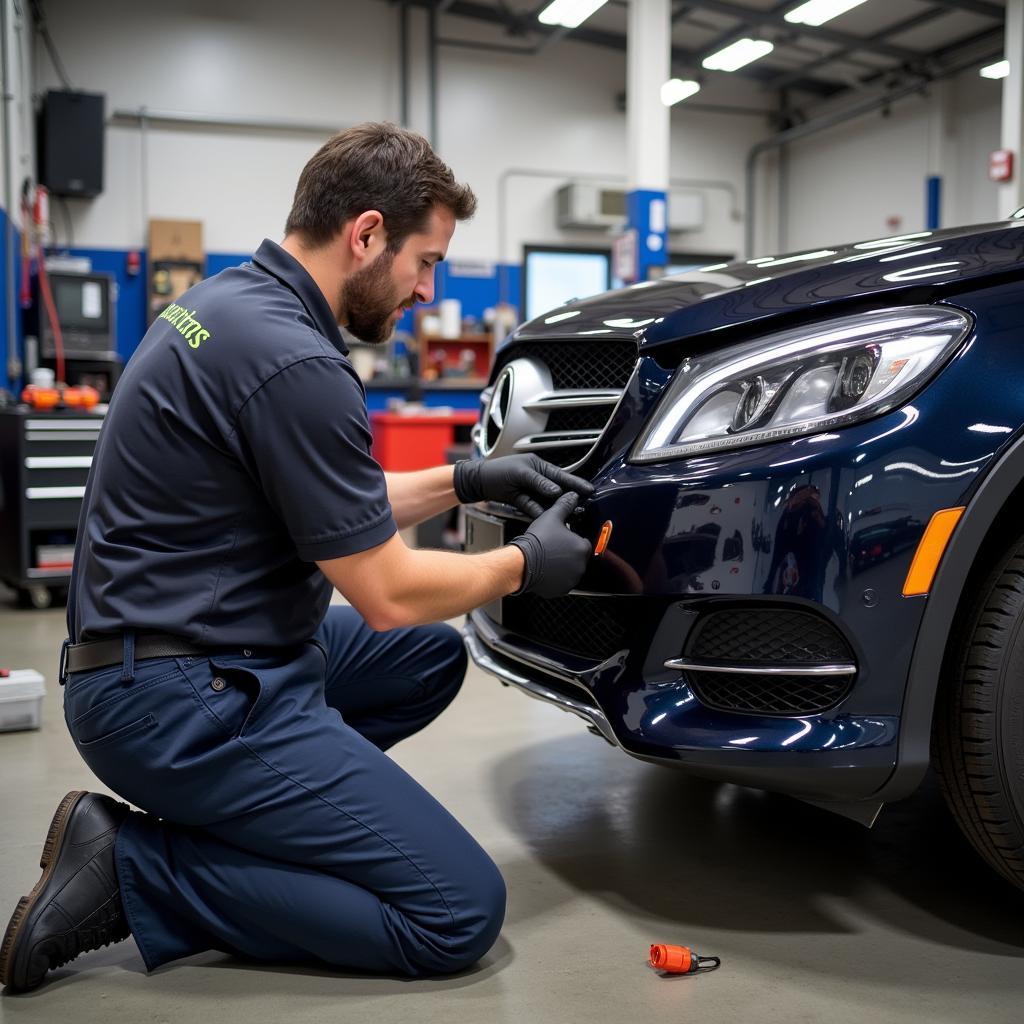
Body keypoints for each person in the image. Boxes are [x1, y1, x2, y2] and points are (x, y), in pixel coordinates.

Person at [0, 123, 594, 992]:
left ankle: (270, 820)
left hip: (159, 659)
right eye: (423, 262)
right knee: (456, 911)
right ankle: (136, 871)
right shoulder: (298, 362)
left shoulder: (225, 305)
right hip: (179, 701)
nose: (427, 292)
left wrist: (466, 479)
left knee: (427, 659)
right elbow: (388, 588)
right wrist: (525, 566)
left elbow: (327, 503)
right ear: (365, 234)